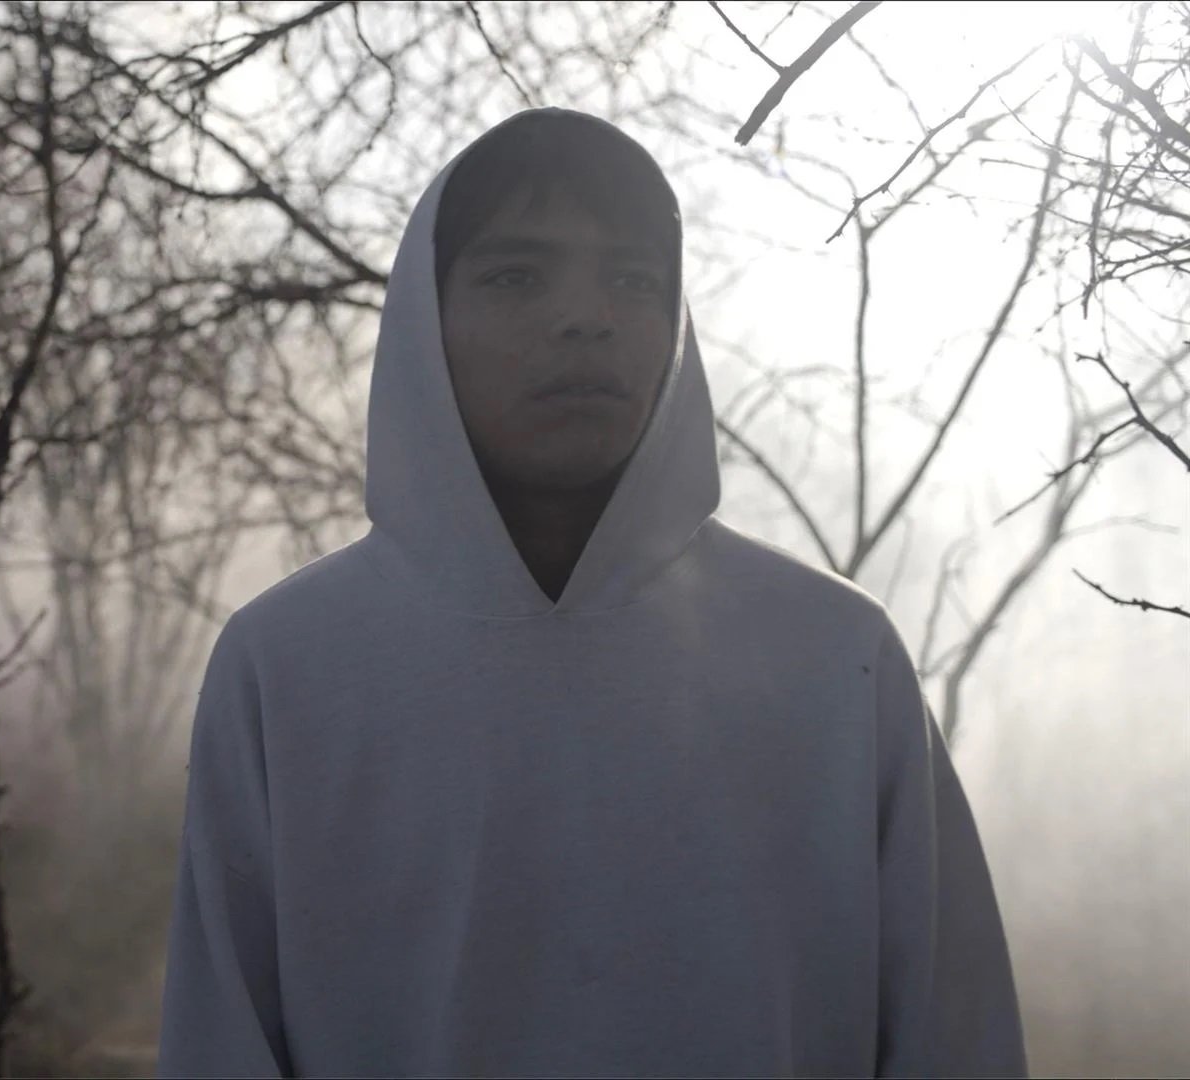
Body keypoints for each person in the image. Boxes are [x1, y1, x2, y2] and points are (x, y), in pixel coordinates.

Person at [154, 107, 1028, 1078]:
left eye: (634, 279)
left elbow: (956, 1039)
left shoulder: (834, 661)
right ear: (424, 324)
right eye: (516, 277)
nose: (586, 316)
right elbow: (219, 1039)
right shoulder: (291, 668)